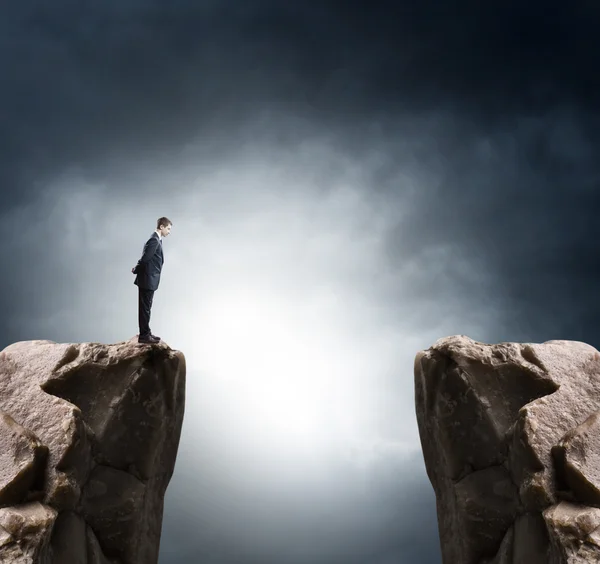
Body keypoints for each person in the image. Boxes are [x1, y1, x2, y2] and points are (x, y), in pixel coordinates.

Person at [132, 217, 172, 344]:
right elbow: (145, 259)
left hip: (150, 280)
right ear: (161, 227)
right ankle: (144, 335)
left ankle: (147, 332)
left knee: (147, 308)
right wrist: (136, 269)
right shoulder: (154, 240)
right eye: (168, 229)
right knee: (144, 309)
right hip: (147, 280)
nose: (169, 232)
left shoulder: (158, 240)